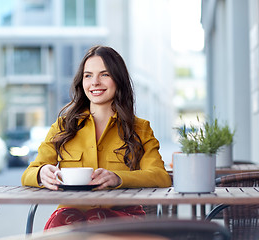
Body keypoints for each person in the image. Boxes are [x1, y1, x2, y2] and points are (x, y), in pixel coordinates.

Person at [21, 45, 172, 229]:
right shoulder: (62, 127)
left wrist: (118, 178)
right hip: (70, 220)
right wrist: (41, 173)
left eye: (105, 74)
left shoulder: (140, 129)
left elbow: (160, 177)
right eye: (88, 75)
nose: (95, 82)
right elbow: (29, 173)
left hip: (123, 218)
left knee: (96, 221)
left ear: (118, 79)